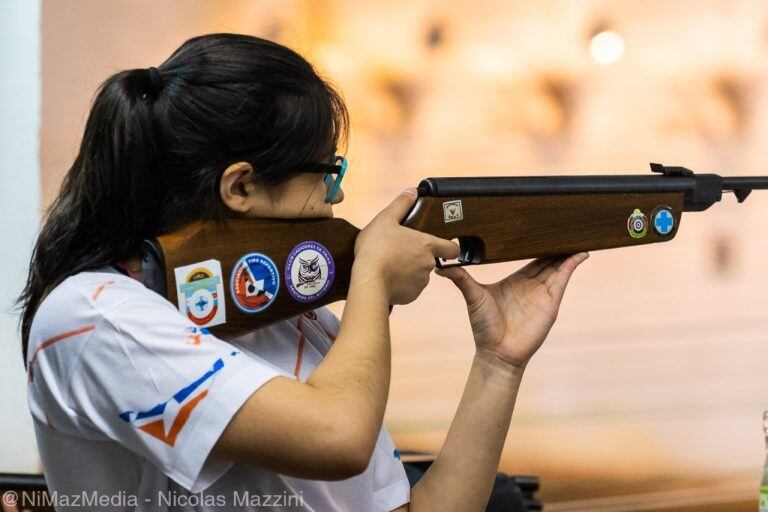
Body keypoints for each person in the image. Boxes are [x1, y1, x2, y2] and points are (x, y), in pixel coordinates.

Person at [18, 33, 588, 511]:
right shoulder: (95, 319)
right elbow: (337, 437)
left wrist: (498, 362)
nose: (334, 202)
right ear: (239, 187)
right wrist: (372, 280)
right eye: (328, 175)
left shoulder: (290, 318)